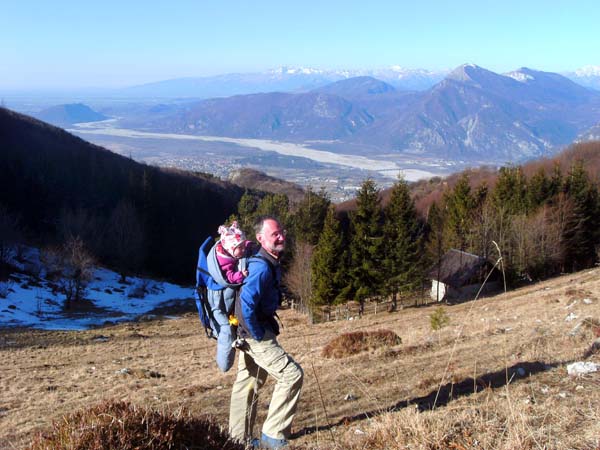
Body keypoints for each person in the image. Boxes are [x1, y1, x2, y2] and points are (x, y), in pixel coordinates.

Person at [229, 216, 303, 449]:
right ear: (261, 239)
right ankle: (273, 436)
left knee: (249, 381)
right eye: (275, 234)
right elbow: (245, 305)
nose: (281, 237)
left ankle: (237, 440)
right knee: (292, 375)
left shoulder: (266, 260)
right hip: (254, 333)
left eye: (281, 232)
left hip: (246, 333)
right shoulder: (261, 266)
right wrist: (257, 334)